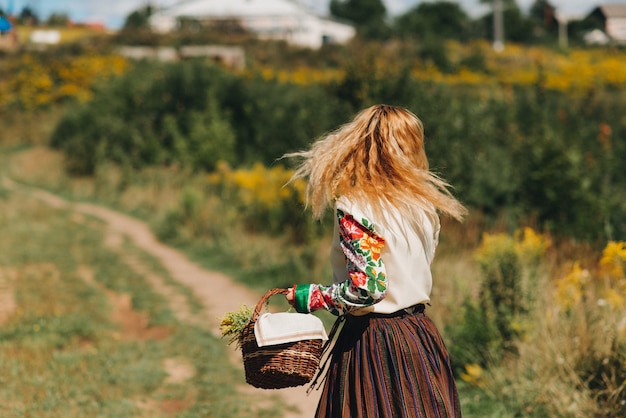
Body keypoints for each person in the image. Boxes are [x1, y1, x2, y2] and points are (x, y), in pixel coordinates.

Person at [284, 104, 466, 417]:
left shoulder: (356, 207)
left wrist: (313, 296)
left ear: (361, 145)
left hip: (374, 343)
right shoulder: (425, 207)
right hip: (420, 335)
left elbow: (368, 289)